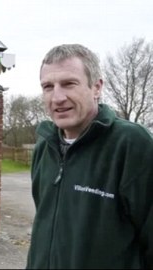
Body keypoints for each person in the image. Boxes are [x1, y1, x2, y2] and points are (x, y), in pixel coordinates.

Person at [26, 44, 153, 269]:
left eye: (69, 84)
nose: (57, 97)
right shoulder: (45, 147)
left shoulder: (132, 144)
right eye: (48, 86)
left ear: (96, 87)